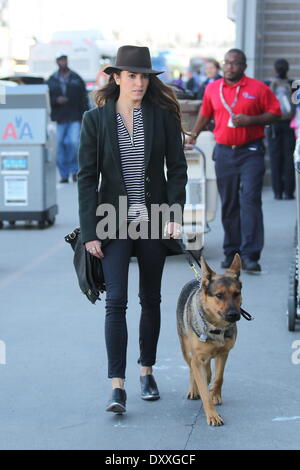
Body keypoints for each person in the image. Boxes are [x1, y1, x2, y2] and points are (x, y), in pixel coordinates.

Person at [77, 45, 187, 414]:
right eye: (132, 76)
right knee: (116, 301)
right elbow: (87, 178)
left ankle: (146, 371)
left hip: (154, 220)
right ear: (117, 77)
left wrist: (173, 213)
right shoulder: (95, 120)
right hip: (112, 220)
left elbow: (177, 168)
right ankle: (117, 386)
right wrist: (90, 230)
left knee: (151, 299)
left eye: (144, 76)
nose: (139, 82)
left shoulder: (162, 117)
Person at [186, 48, 281, 272]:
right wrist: (193, 136)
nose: (230, 67)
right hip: (225, 152)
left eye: (235, 63)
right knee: (229, 204)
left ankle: (250, 255)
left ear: (244, 67)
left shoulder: (258, 88)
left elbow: (276, 113)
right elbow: (205, 114)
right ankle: (232, 253)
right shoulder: (213, 88)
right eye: (227, 62)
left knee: (249, 201)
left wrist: (252, 119)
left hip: (251, 151)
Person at [47, 52, 89, 183]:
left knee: (73, 143)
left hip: (75, 117)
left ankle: (75, 171)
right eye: (60, 60)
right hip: (60, 118)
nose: (62, 62)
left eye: (64, 59)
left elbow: (84, 97)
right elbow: (47, 98)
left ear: (67, 60)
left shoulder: (76, 78)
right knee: (60, 146)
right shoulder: (52, 79)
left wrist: (85, 116)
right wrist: (56, 100)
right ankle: (64, 175)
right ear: (57, 62)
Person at [266, 59, 296, 200]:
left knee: (275, 158)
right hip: (290, 124)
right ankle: (289, 191)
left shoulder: (270, 84)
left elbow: (265, 103)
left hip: (273, 124)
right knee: (289, 157)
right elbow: (297, 105)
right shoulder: (293, 84)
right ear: (287, 69)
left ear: (275, 69)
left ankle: (277, 192)